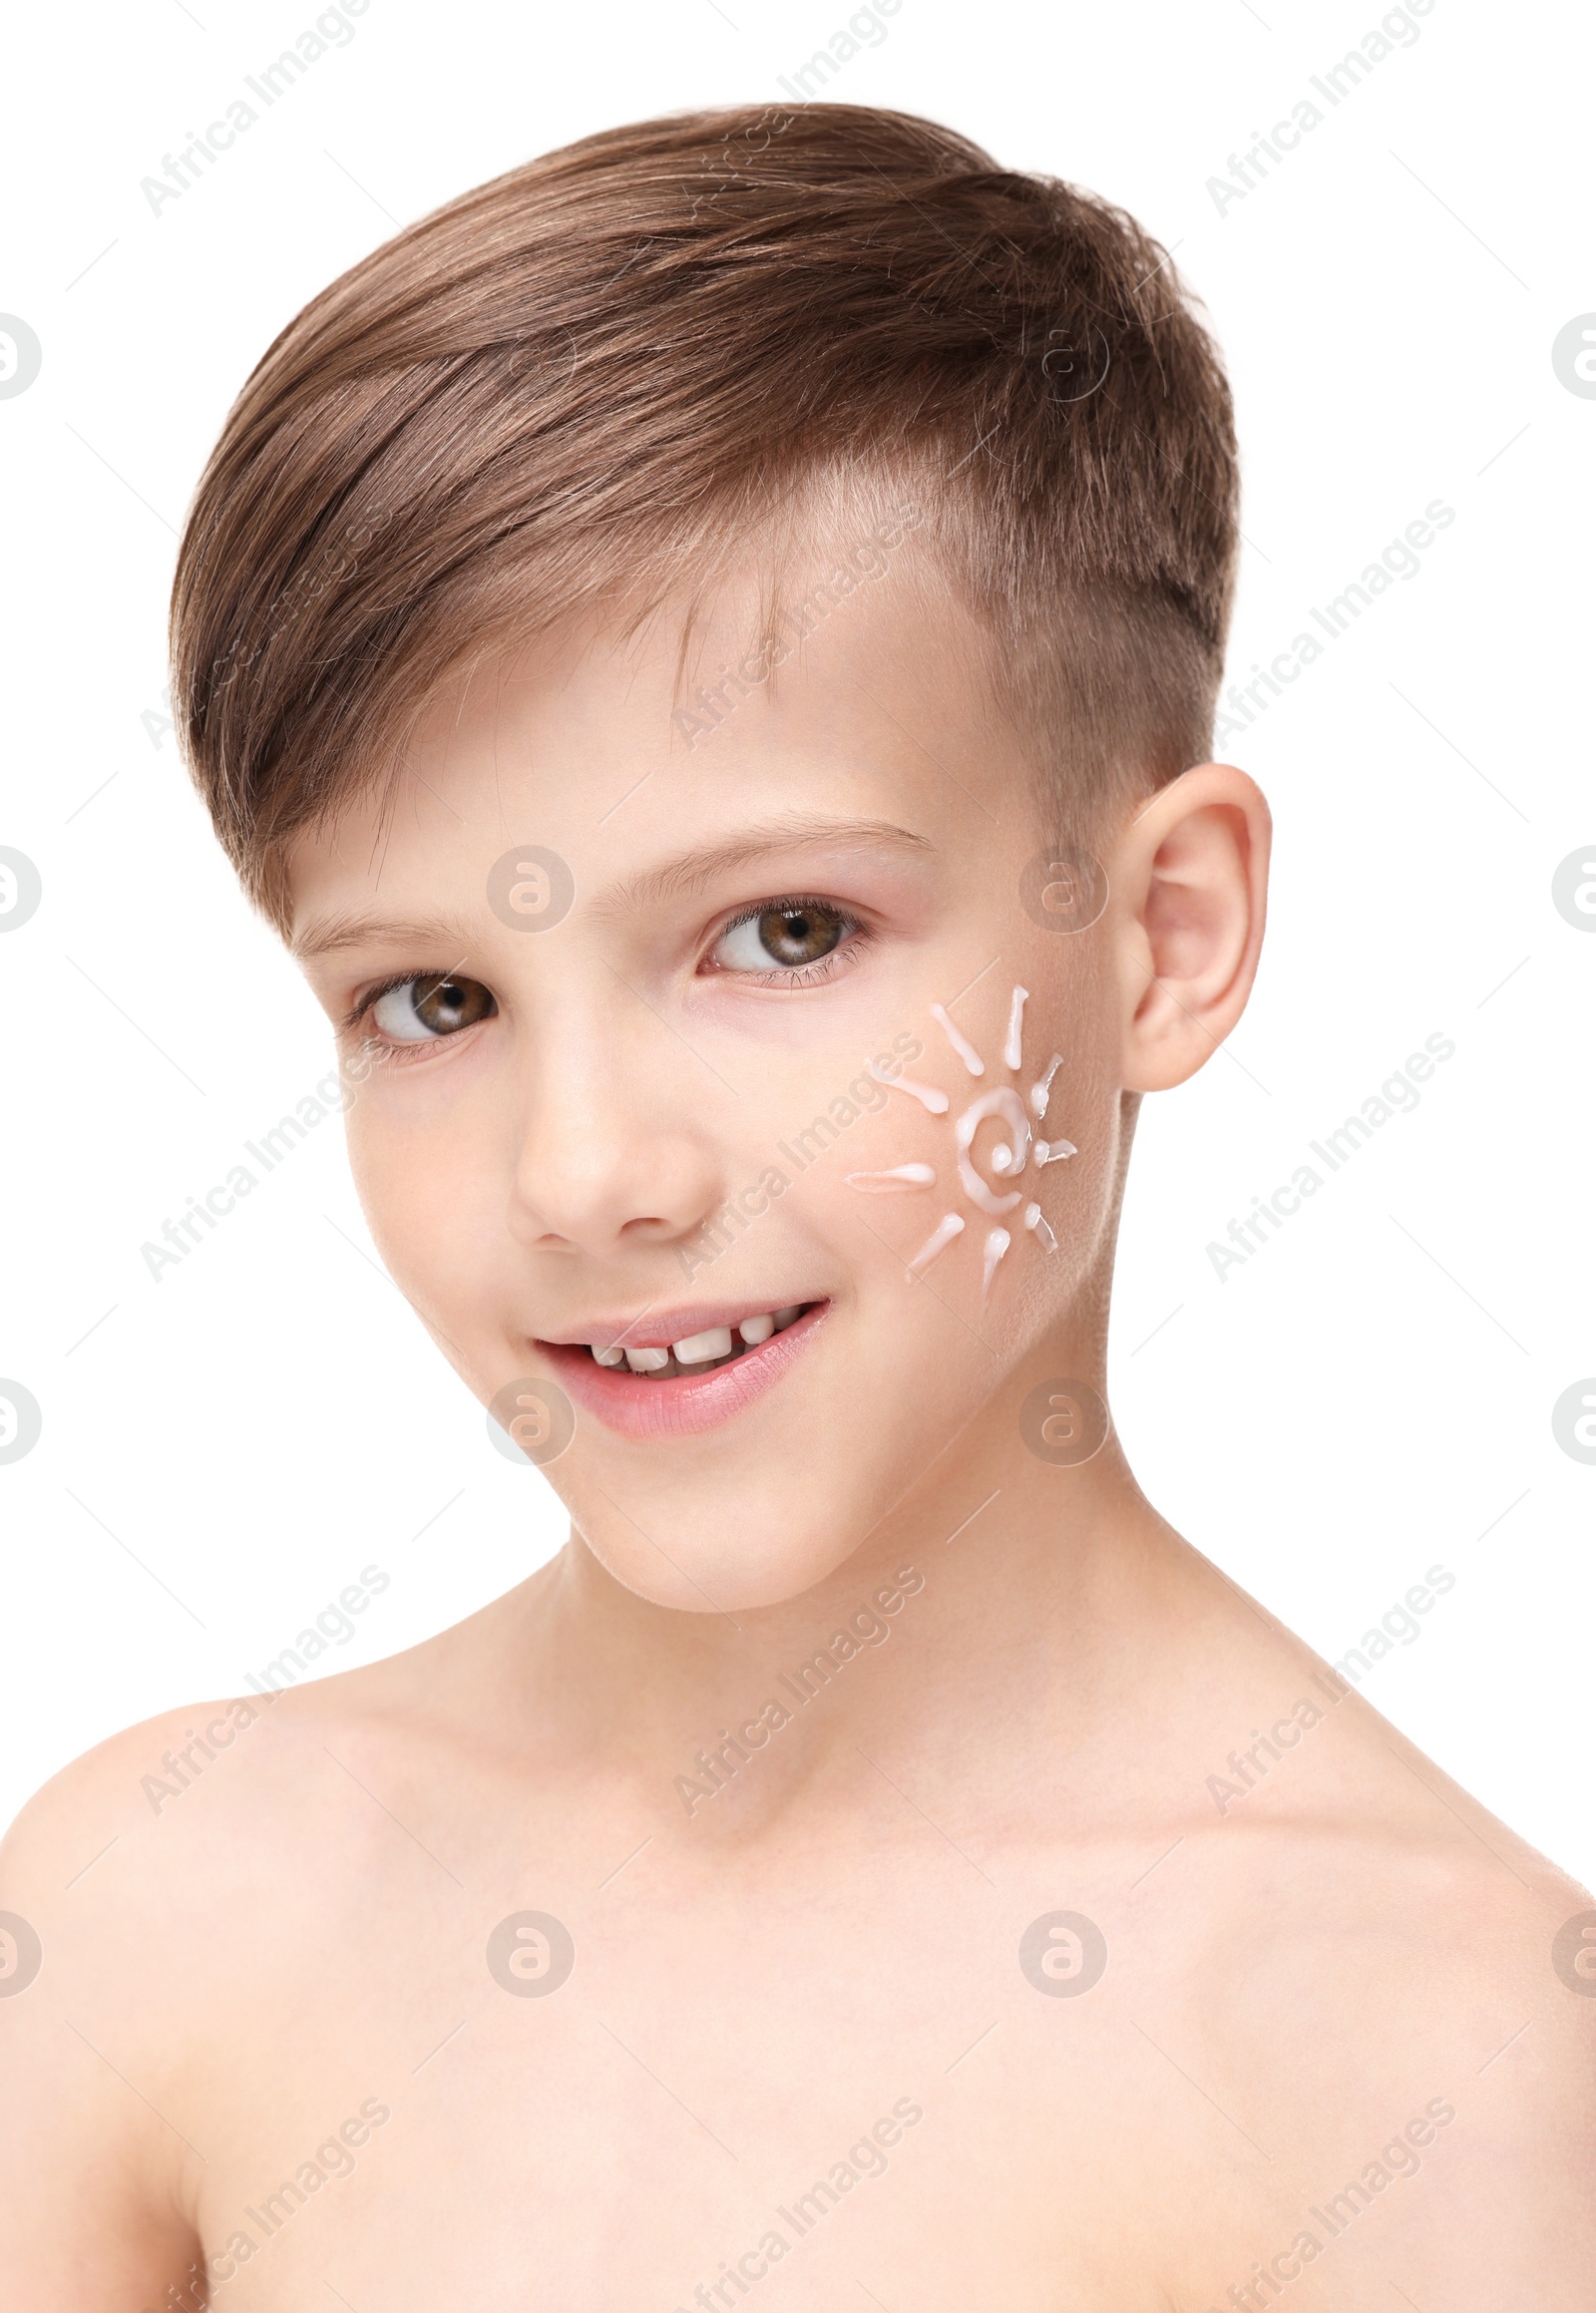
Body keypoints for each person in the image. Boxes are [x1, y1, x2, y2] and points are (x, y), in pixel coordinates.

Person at [1, 102, 1589, 2311]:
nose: (585, 1173)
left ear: (1161, 932)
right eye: (434, 993)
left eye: (777, 937)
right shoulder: (162, 1907)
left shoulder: (1436, 2078)